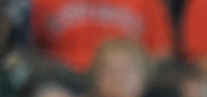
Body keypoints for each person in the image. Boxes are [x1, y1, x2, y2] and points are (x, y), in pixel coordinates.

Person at [28, 0, 172, 71]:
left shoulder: (147, 2)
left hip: (125, 85)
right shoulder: (45, 2)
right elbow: (32, 49)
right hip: (64, 85)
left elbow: (160, 54)